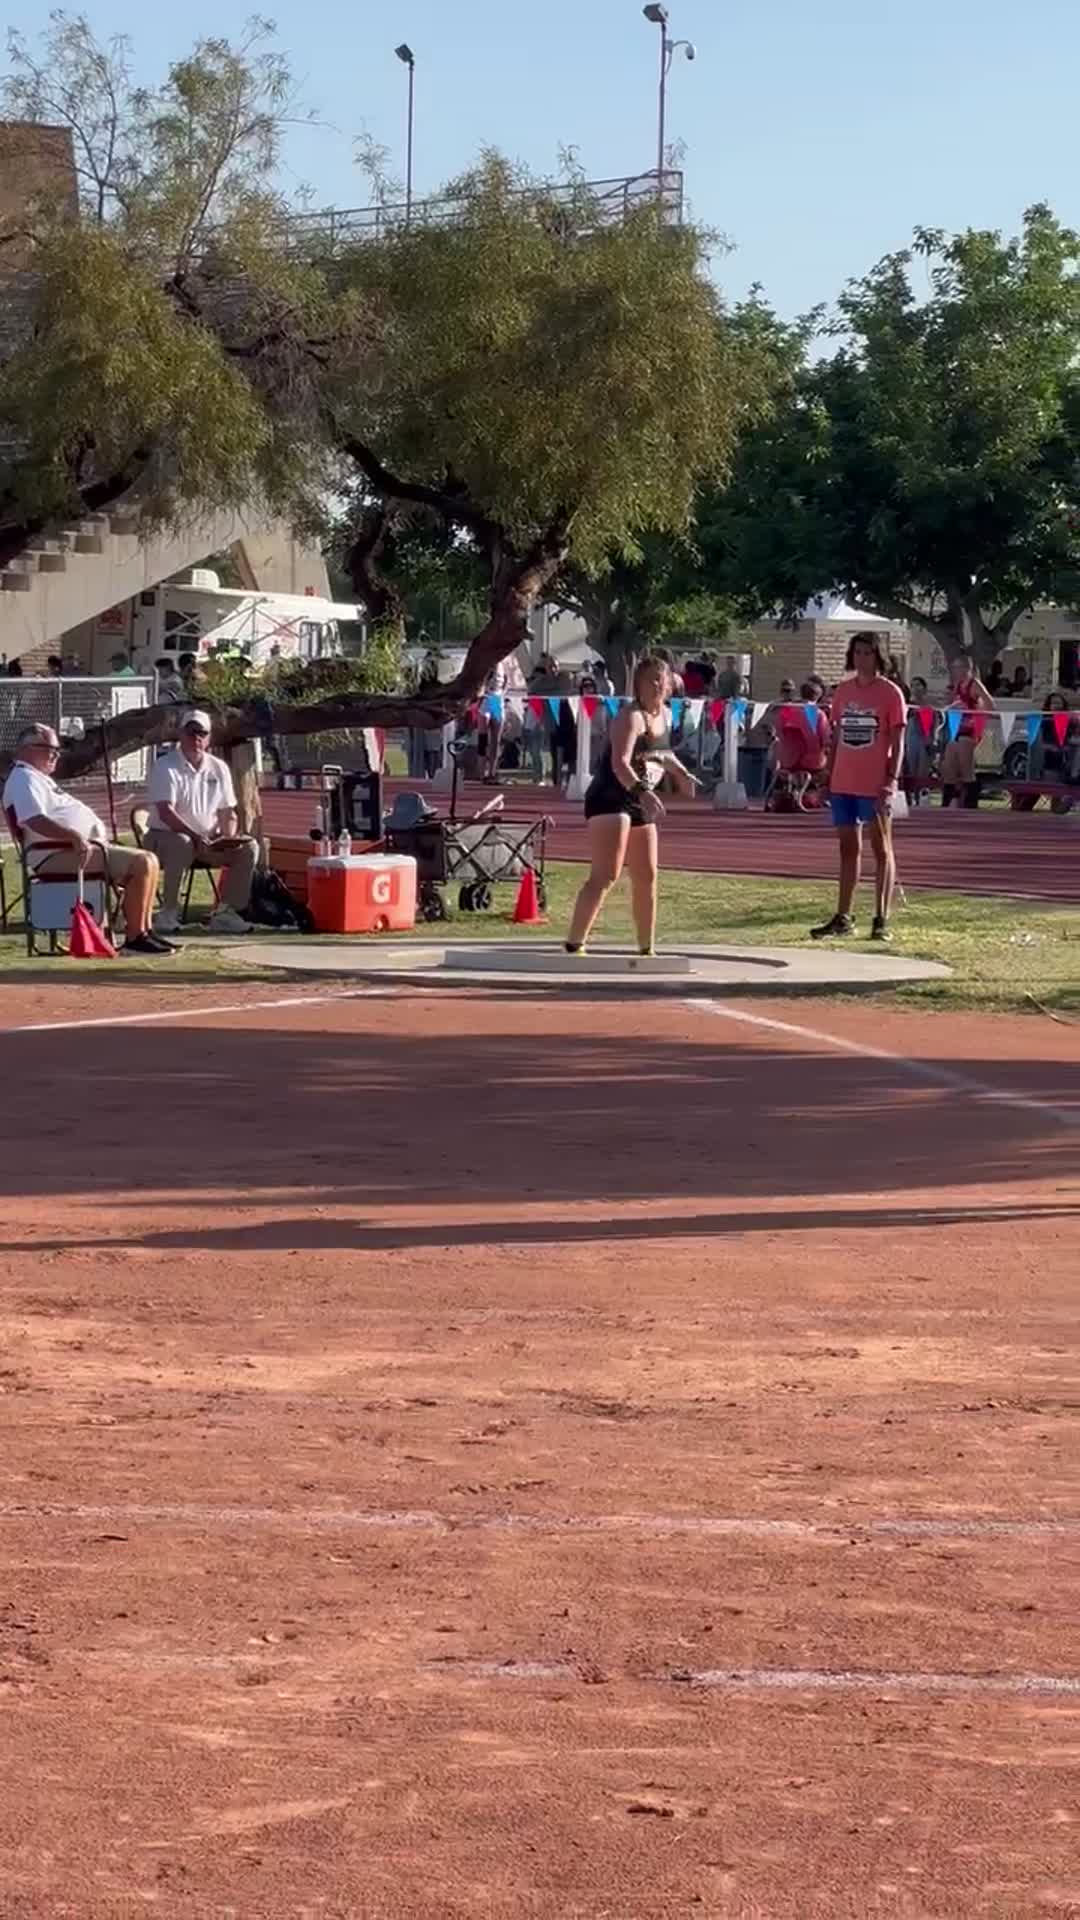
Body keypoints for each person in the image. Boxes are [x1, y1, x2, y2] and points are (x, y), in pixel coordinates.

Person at [565, 656, 698, 957]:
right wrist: (643, 791)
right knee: (606, 874)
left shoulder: (663, 715)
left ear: (669, 684)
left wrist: (681, 773)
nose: (656, 685)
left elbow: (662, 752)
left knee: (647, 874)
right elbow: (620, 763)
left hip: (638, 798)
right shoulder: (630, 716)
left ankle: (646, 947)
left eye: (660, 679)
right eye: (650, 680)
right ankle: (575, 942)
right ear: (637, 684)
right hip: (610, 797)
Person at [2, 723, 173, 956]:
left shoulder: (39, 778)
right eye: (50, 749)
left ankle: (144, 931)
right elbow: (34, 820)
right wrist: (73, 835)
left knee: (150, 860)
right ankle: (134, 938)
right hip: (55, 854)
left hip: (80, 849)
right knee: (141, 862)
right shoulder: (23, 778)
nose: (56, 755)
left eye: (58, 749)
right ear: (27, 749)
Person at [810, 632, 906, 943]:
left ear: (879, 656)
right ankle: (843, 916)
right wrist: (828, 774)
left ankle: (881, 918)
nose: (862, 658)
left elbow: (898, 741)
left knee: (881, 849)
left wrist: (891, 780)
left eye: (868, 653)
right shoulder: (844, 692)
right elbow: (837, 736)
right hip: (844, 781)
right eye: (858, 652)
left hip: (874, 783)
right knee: (848, 848)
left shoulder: (890, 693)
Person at [144, 710, 259, 935]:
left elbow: (228, 812)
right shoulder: (165, 766)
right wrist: (196, 837)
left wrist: (227, 837)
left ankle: (226, 913)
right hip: (164, 839)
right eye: (191, 732)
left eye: (202, 733)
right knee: (182, 842)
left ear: (208, 738)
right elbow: (166, 813)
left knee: (249, 848)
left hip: (207, 841)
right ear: (180, 734)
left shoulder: (219, 767)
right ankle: (168, 912)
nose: (196, 738)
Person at [940, 652, 993, 807]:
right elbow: (951, 704)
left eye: (958, 667)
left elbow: (990, 705)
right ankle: (948, 805)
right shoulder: (957, 685)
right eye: (954, 668)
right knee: (949, 768)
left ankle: (971, 807)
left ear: (967, 668)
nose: (955, 671)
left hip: (969, 730)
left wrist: (976, 715)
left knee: (966, 770)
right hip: (956, 728)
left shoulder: (974, 684)